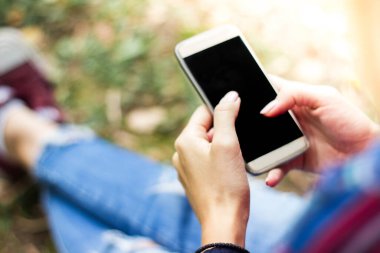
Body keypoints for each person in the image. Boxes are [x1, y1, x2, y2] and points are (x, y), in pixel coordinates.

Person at [1, 28, 380, 253]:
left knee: (115, 239)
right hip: (326, 231)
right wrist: (364, 153)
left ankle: (25, 134)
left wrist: (222, 222)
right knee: (161, 200)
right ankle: (33, 137)